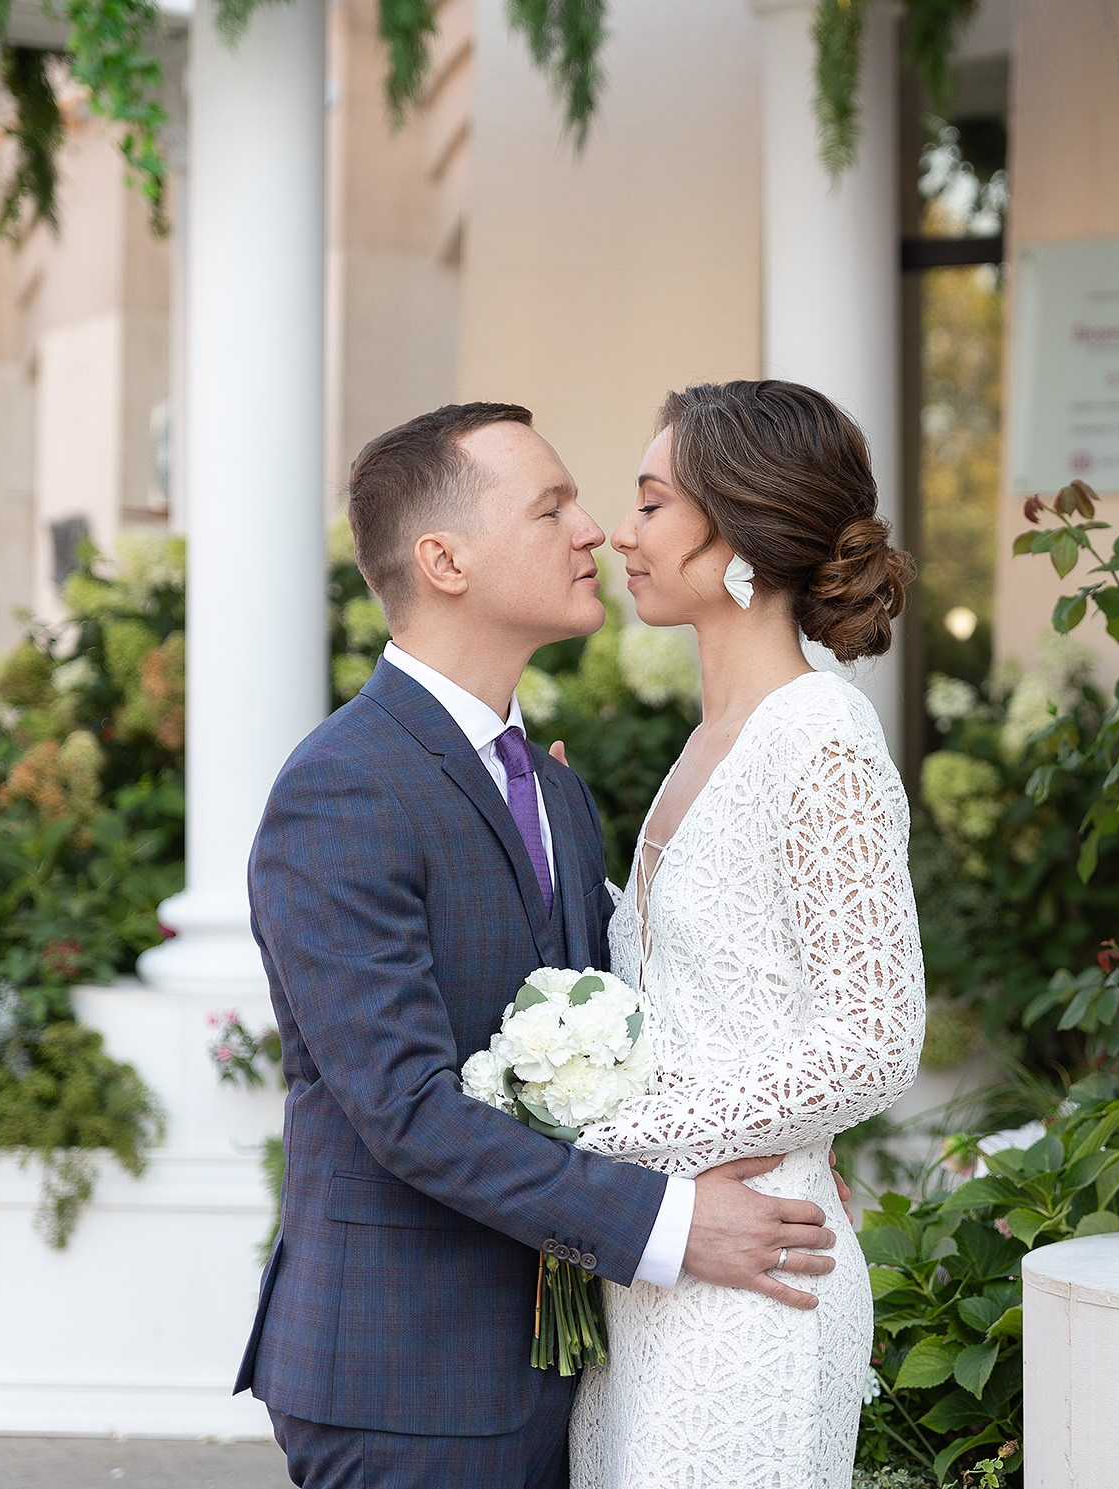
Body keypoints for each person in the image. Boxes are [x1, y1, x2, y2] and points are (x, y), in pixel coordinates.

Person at [235, 401, 839, 1488]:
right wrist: (672, 1221)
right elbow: (407, 1110)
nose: (593, 531)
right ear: (444, 559)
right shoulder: (341, 788)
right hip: (404, 1380)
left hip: (569, 1373)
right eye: (551, 506)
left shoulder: (553, 792)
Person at [566, 380, 928, 1489]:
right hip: (659, 1267)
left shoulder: (819, 733)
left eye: (652, 502)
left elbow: (875, 1035)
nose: (620, 534)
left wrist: (614, 1152)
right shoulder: (705, 742)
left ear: (744, 533)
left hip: (758, 1279)